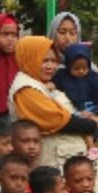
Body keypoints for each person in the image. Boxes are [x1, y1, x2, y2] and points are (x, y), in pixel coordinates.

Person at [6, 36, 84, 168]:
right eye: (44, 61)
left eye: (54, 61)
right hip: (52, 161)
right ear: (30, 59)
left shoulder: (42, 83)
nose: (50, 66)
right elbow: (55, 119)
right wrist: (90, 124)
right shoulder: (26, 88)